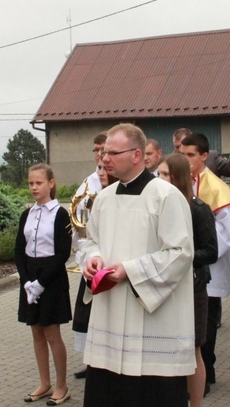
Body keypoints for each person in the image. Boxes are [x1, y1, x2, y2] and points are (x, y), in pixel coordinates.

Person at [80, 123, 195, 407]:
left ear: (136, 155)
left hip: (153, 321)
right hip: (109, 315)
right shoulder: (104, 198)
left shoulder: (165, 196)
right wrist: (91, 259)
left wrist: (130, 270)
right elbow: (90, 240)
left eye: (111, 153)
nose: (104, 158)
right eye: (103, 152)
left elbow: (181, 252)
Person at [158, 153, 218, 405]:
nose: (159, 179)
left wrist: (181, 257)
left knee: (193, 349)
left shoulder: (198, 209)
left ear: (178, 177)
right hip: (166, 287)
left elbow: (211, 251)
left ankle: (196, 403)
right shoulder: (158, 206)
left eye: (164, 174)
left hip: (193, 287)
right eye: (158, 174)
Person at [180, 133, 230, 390]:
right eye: (183, 154)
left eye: (191, 155)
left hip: (207, 267)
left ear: (204, 156)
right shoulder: (177, 183)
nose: (186, 159)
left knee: (206, 323)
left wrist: (201, 255)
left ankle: (207, 372)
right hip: (183, 267)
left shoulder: (217, 188)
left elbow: (227, 233)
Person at [15, 164, 72, 405]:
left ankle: (62, 386)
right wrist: (27, 281)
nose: (34, 187)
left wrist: (41, 282)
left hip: (52, 277)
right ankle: (44, 383)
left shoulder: (60, 214)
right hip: (30, 277)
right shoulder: (27, 214)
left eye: (38, 182)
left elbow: (63, 253)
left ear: (50, 183)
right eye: (30, 183)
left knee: (52, 333)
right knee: (36, 331)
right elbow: (19, 250)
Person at [71, 161, 118, 380]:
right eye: (98, 168)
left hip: (117, 273)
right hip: (96, 268)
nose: (99, 173)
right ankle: (94, 363)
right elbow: (88, 235)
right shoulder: (95, 199)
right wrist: (90, 255)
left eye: (105, 168)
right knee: (90, 318)